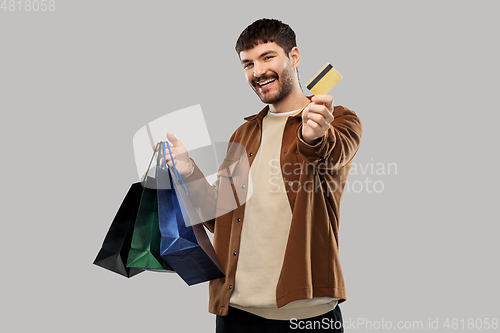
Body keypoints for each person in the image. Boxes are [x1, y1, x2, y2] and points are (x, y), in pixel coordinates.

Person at [163, 18, 362, 333]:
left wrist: (313, 137)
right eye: (248, 64)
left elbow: (332, 153)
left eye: (268, 57)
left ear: (293, 57)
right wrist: (188, 169)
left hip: (307, 315)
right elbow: (220, 217)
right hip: (236, 312)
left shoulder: (338, 120)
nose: (257, 72)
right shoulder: (243, 134)